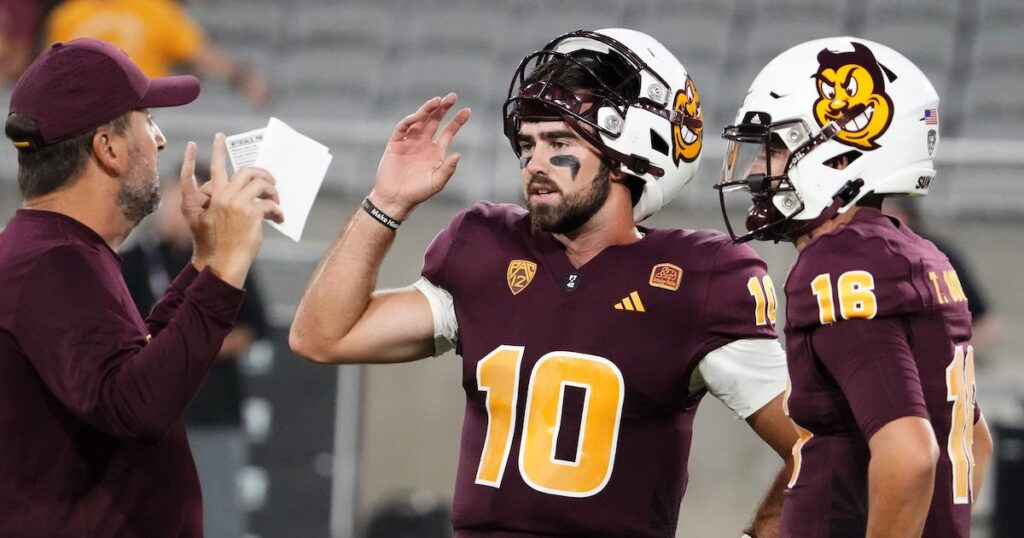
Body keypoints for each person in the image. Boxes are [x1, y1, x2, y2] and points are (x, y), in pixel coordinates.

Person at [291, 29, 797, 537]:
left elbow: (814, 446)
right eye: (527, 144)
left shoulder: (697, 278)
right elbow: (322, 335)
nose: (534, 162)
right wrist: (388, 201)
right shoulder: (488, 247)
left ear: (629, 155)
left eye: (560, 142)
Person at [0, 37, 281, 536]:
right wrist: (227, 266)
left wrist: (206, 260)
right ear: (107, 148)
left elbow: (131, 366)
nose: (160, 139)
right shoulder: (52, 263)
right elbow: (135, 405)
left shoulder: (64, 251)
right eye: (147, 121)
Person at [714, 37, 994, 537]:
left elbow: (910, 454)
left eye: (775, 149)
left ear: (842, 159)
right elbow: (975, 442)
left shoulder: (840, 264)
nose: (757, 171)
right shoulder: (914, 252)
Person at [121, 176, 271, 538]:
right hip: (144, 414)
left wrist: (192, 348)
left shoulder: (228, 263)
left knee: (215, 516)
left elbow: (257, 326)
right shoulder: (130, 263)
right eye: (179, 200)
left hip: (212, 412)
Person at [45, 0, 271, 107]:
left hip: (142, 111)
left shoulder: (156, 10)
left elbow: (201, 54)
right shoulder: (65, 16)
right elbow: (50, 74)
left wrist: (244, 77)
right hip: (83, 110)